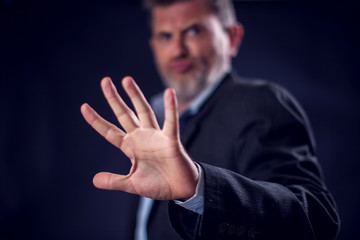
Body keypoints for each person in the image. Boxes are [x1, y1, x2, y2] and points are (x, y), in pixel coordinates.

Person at [81, 0, 340, 239]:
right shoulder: (151, 120)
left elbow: (317, 218)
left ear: (232, 37)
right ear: (154, 46)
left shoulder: (258, 103)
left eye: (193, 31)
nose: (177, 49)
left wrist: (200, 187)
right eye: (165, 36)